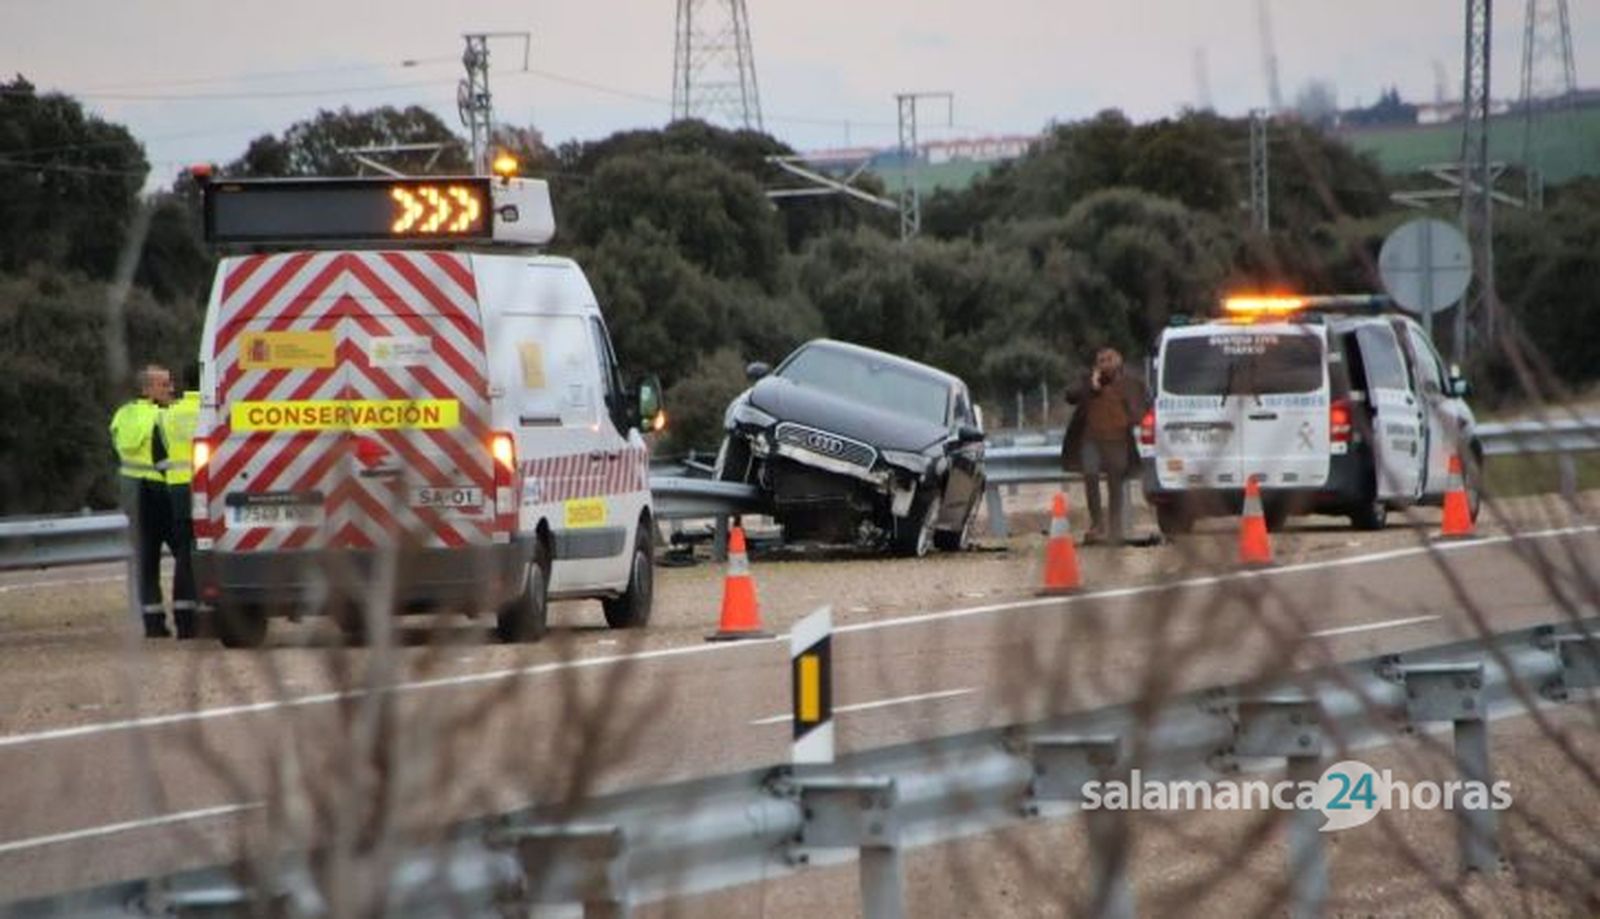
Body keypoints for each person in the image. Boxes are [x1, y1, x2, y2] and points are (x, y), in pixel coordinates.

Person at [110, 364, 176, 637]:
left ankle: (153, 623)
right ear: (147, 389)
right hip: (162, 494)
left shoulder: (122, 415)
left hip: (133, 495)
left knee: (146, 562)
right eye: (164, 384)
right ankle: (190, 617)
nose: (171, 389)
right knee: (185, 557)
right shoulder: (162, 416)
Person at [1061, 347, 1149, 545]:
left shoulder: (1130, 382)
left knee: (1115, 482)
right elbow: (1070, 396)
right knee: (1090, 477)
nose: (1105, 364)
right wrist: (1092, 385)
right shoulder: (1088, 380)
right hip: (1090, 440)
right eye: (1101, 360)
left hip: (1117, 440)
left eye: (1109, 360)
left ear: (1118, 362)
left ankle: (1115, 527)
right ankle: (1097, 524)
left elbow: (1141, 406)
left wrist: (1132, 417)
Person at [158, 369, 202, 639]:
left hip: (176, 489)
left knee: (184, 555)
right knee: (207, 552)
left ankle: (185, 622)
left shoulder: (168, 414)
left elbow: (160, 455)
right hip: (205, 487)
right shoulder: (211, 410)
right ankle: (206, 615)